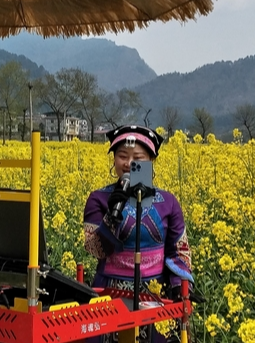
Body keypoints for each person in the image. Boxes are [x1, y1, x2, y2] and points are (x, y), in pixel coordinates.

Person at [83, 125, 193, 296]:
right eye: (122, 156)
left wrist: (179, 285)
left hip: (157, 294)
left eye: (138, 157)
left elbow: (179, 250)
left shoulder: (168, 201)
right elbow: (94, 249)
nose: (128, 163)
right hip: (109, 292)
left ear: (151, 160)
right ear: (114, 160)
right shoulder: (99, 198)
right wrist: (112, 216)